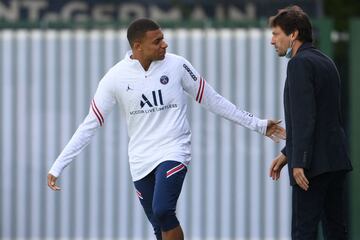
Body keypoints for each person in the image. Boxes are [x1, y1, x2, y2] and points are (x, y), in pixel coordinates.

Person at [47, 18, 286, 240]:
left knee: (162, 210)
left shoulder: (178, 65)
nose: (165, 44)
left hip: (174, 151)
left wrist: (258, 125)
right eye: (157, 41)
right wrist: (58, 165)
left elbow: (214, 100)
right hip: (140, 161)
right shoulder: (115, 78)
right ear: (137, 46)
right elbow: (91, 123)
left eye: (163, 38)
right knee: (158, 225)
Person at [268, 5, 353, 240]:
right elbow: (324, 118)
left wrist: (299, 162)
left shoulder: (298, 64)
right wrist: (287, 153)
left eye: (276, 34)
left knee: (304, 231)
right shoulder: (325, 61)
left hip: (312, 168)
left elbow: (305, 117)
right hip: (335, 162)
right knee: (336, 230)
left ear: (293, 34)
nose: (272, 41)